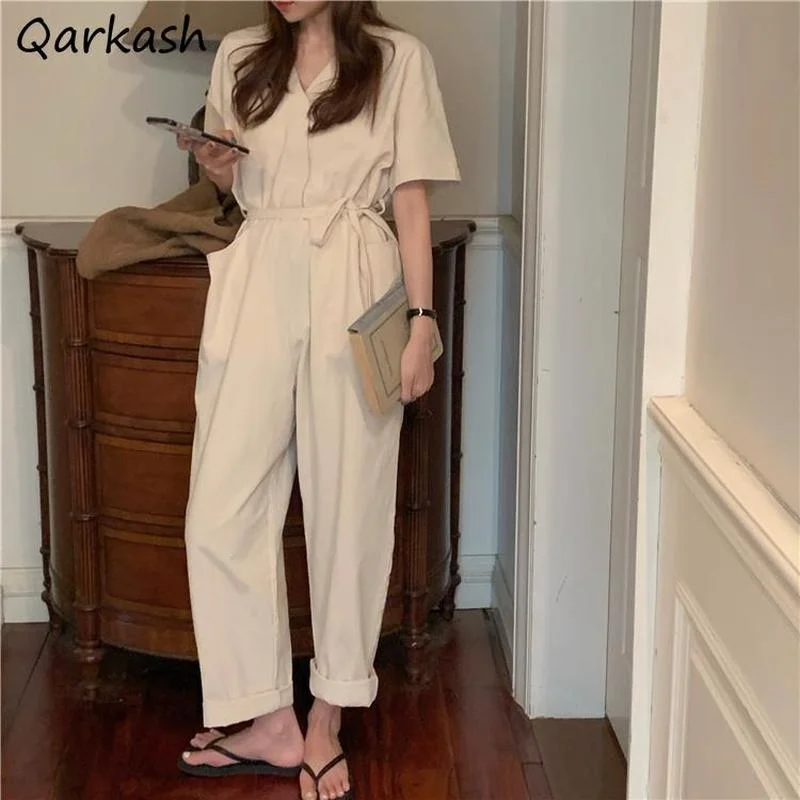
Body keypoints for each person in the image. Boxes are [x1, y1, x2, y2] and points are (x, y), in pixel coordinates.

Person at [175, 2, 460, 798]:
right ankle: (269, 716)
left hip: (353, 269)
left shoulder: (399, 60)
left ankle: (326, 715)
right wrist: (218, 167)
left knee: (348, 506)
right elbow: (234, 182)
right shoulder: (240, 57)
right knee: (219, 509)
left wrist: (421, 321)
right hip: (259, 267)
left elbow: (410, 200)